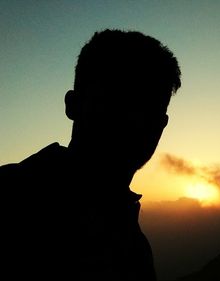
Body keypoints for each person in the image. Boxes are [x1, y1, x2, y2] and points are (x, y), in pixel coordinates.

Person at [0, 29, 181, 280]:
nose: (134, 121)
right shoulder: (10, 199)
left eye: (149, 109)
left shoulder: (132, 242)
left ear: (162, 124)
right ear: (73, 105)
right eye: (117, 100)